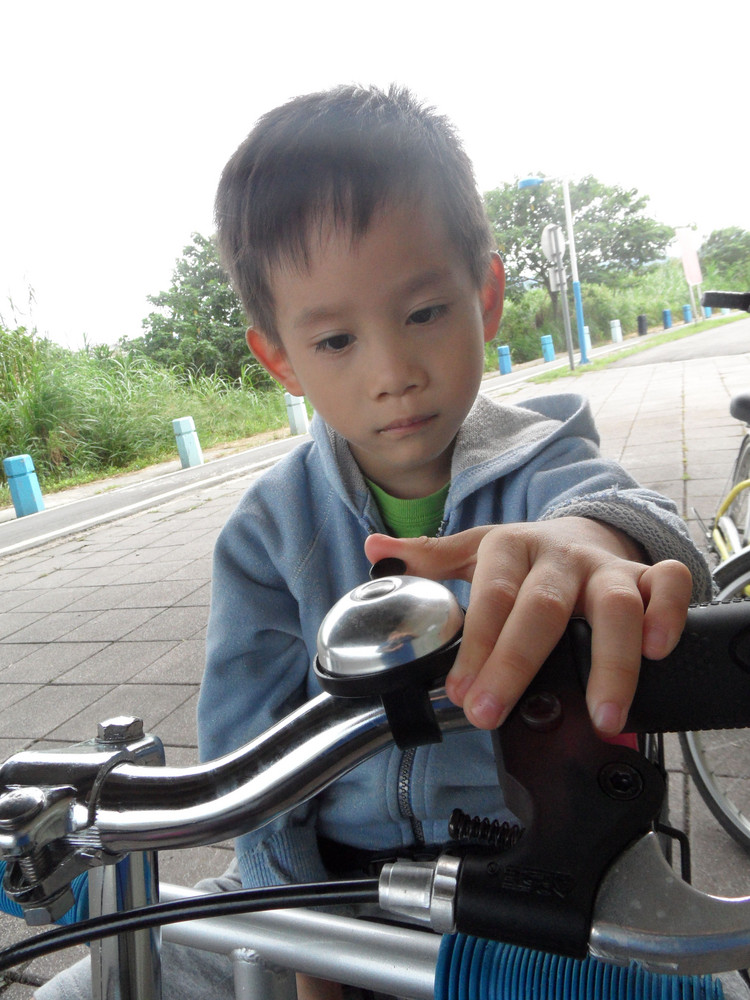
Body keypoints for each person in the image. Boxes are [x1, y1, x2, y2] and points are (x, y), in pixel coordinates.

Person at [30, 84, 711, 999]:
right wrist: (307, 951)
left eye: (424, 313)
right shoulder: (268, 534)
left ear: (486, 295)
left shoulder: (550, 467)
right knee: (89, 984)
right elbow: (249, 769)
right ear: (280, 357)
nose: (393, 373)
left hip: (537, 886)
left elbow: (654, 534)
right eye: (337, 340)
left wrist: (591, 541)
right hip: (328, 889)